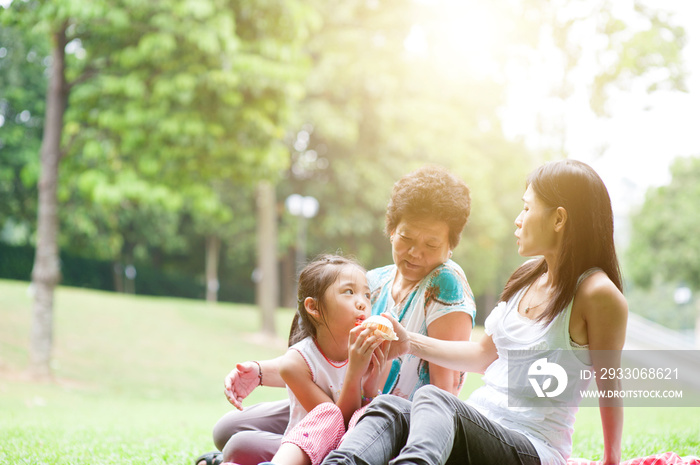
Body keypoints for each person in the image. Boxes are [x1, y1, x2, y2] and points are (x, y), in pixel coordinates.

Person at [321, 159, 629, 465]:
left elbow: (609, 383)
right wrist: (408, 342)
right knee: (391, 408)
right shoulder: (527, 277)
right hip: (479, 427)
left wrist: (611, 461)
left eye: (526, 208)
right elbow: (482, 355)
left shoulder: (597, 294)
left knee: (432, 398)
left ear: (559, 219)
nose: (518, 220)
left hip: (533, 447)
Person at [196, 165, 477, 465]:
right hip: (342, 396)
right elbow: (327, 362)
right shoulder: (373, 283)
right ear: (392, 230)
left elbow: (442, 393)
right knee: (228, 428)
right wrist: (259, 371)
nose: (415, 253)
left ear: (450, 247)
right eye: (406, 237)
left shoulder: (444, 283)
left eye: (431, 244)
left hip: (384, 419)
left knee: (241, 443)